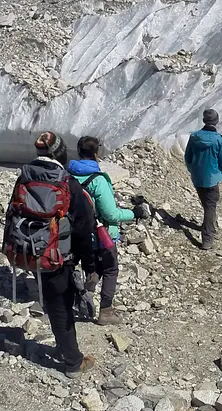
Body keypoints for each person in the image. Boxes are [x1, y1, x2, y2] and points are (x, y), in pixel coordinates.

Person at [13, 131, 97, 377]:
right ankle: (72, 361)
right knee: (62, 306)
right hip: (60, 256)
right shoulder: (67, 183)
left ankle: (64, 347)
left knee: (53, 302)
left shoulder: (24, 178)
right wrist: (90, 264)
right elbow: (84, 227)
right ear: (61, 153)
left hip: (31, 249)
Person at [68, 136, 147, 325]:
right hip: (101, 235)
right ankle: (106, 311)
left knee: (91, 267)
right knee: (110, 269)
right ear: (97, 153)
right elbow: (111, 214)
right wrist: (134, 213)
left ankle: (85, 295)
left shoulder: (68, 176)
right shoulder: (98, 181)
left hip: (77, 234)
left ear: (79, 152)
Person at [183, 109, 222, 250]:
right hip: (212, 178)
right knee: (210, 207)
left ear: (204, 121)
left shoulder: (194, 137)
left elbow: (187, 157)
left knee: (206, 204)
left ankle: (209, 225)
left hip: (197, 177)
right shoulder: (219, 139)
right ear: (216, 121)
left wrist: (193, 169)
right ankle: (207, 237)